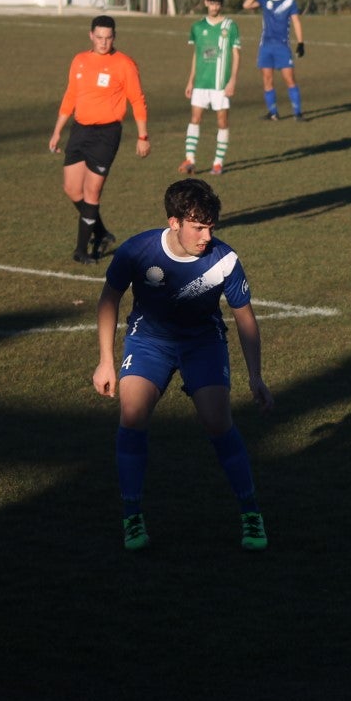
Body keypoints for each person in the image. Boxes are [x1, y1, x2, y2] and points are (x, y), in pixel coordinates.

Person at [92, 178, 276, 552]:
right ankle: (132, 516)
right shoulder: (137, 251)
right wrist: (105, 362)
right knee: (132, 414)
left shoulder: (224, 259)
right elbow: (109, 298)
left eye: (211, 227)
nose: (206, 236)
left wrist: (256, 376)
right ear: (174, 222)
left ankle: (250, 512)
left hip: (202, 343)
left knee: (217, 422)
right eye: (198, 227)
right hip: (150, 341)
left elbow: (245, 318)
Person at [48, 15, 150, 265]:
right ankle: (102, 232)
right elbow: (70, 95)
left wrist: (142, 136)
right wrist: (57, 130)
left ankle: (82, 250)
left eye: (108, 38)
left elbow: (137, 100)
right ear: (91, 35)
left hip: (106, 134)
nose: (104, 43)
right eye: (99, 37)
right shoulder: (79, 61)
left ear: (114, 37)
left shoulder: (124, 64)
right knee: (72, 189)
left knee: (92, 193)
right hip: (80, 131)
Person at [178, 0, 241, 176]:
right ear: (206, 3)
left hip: (220, 85)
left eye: (218, 4)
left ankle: (218, 163)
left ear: (221, 5)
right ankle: (190, 159)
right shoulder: (197, 27)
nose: (214, 7)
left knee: (222, 122)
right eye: (212, 3)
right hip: (201, 84)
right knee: (195, 119)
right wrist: (190, 81)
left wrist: (232, 81)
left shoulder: (230, 26)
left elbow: (236, 55)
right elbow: (196, 56)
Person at [242, 0, 305, 122]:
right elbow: (246, 5)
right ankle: (273, 113)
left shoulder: (289, 2)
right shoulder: (264, 0)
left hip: (282, 47)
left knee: (290, 79)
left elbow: (296, 22)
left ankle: (298, 113)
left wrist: (301, 43)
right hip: (266, 47)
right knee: (267, 79)